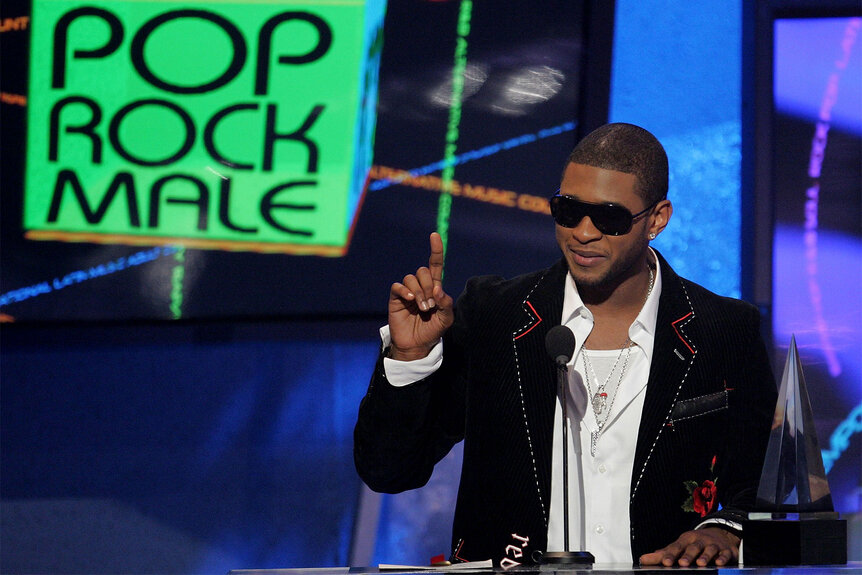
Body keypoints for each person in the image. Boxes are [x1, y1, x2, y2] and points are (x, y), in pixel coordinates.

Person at [354, 123, 777, 567]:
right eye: (568, 210)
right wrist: (410, 357)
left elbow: (765, 481)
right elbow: (389, 470)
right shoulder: (494, 315)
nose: (584, 232)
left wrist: (724, 528)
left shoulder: (724, 329)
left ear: (657, 219)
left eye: (610, 217)